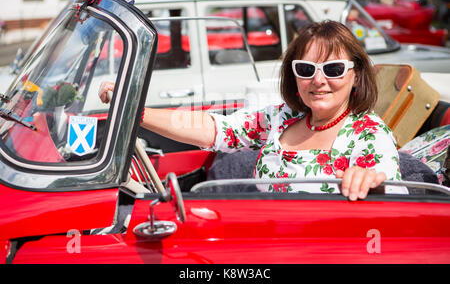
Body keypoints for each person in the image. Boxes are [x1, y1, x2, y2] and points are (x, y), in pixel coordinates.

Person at [99, 20, 405, 200]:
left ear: (356, 75)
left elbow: (390, 189)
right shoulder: (283, 117)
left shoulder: (370, 135)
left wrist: (368, 181)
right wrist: (136, 111)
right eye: (306, 68)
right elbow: (215, 129)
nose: (318, 80)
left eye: (334, 69)